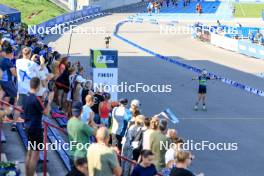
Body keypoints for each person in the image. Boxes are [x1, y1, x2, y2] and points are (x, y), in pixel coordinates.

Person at [23, 77, 54, 176]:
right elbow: (46, 113)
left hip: (27, 126)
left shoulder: (26, 96)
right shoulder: (36, 99)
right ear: (37, 86)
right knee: (35, 155)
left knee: (30, 151)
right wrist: (49, 101)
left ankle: (27, 174)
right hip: (35, 128)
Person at [67, 101, 97, 166]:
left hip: (72, 154)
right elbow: (95, 133)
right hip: (81, 155)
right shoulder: (82, 125)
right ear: (82, 111)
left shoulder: (69, 121)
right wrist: (92, 120)